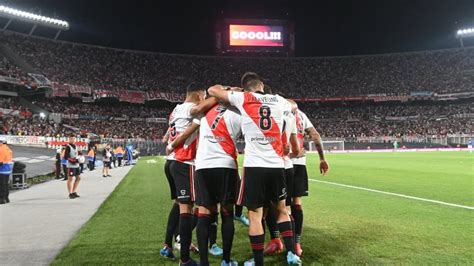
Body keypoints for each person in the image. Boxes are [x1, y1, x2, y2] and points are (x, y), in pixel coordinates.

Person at [208, 72, 302, 265]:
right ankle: (292, 253)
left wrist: (233, 90)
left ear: (246, 87)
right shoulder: (279, 100)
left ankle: (258, 262)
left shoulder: (243, 98)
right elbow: (294, 105)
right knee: (282, 210)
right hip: (277, 165)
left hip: (254, 167)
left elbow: (212, 90)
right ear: (261, 84)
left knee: (256, 215)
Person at [178, 85, 242, 266]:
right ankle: (226, 260)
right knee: (227, 213)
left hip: (203, 166)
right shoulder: (237, 111)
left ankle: (204, 262)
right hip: (226, 165)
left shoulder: (204, 111)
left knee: (204, 212)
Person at [159, 82, 205, 266]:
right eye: (202, 96)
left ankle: (167, 245)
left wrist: (169, 141)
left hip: (171, 163)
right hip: (184, 161)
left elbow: (168, 133)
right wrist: (175, 143)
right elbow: (190, 129)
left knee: (178, 204)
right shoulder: (193, 108)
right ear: (197, 96)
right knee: (187, 208)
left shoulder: (176, 109)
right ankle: (185, 259)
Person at [290, 106, 329, 256]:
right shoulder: (301, 114)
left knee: (281, 206)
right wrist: (322, 159)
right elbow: (315, 135)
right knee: (296, 202)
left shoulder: (277, 108)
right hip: (300, 163)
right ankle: (297, 244)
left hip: (283, 161)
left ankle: (279, 240)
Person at [0, 136, 13, 204]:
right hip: (8, 169)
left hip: (2, 169)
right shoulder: (8, 149)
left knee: (1, 184)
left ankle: (2, 199)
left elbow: (0, 161)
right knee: (5, 184)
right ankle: (6, 198)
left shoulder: (1, 149)